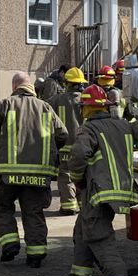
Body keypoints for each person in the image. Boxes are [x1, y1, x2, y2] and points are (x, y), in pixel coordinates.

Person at [68, 84, 138, 276]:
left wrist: (77, 179)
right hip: (120, 192)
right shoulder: (123, 126)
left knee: (100, 239)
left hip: (99, 193)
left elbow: (79, 156)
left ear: (87, 109)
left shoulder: (88, 129)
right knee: (83, 229)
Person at [0, 72, 67, 267]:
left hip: (6, 174)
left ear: (14, 87)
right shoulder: (45, 107)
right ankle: (36, 255)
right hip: (38, 174)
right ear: (30, 87)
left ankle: (10, 243)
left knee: (1, 206)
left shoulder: (5, 104)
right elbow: (62, 134)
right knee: (33, 212)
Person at [46, 66, 88, 215]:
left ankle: (69, 206)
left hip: (64, 147)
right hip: (84, 147)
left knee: (65, 175)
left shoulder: (55, 100)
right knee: (83, 174)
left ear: (66, 83)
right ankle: (84, 204)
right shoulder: (87, 99)